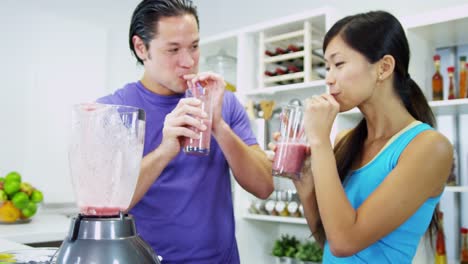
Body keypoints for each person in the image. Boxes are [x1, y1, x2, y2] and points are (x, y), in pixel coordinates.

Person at [97, 0, 274, 263]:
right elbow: (107, 204)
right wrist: (166, 149)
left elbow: (263, 186)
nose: (188, 61)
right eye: (173, 49)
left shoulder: (225, 102)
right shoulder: (112, 111)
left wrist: (219, 127)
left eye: (194, 46)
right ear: (141, 48)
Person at [293, 11, 453, 263]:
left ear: (384, 67)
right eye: (327, 67)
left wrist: (319, 141)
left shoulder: (429, 147)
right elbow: (329, 238)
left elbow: (345, 242)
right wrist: (304, 184)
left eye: (339, 64)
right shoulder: (346, 140)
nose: (329, 78)